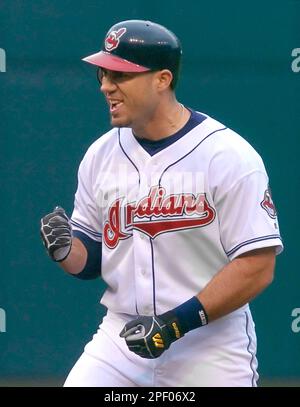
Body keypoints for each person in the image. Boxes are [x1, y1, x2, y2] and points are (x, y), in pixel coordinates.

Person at [40, 19, 283, 387]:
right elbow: (90, 259)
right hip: (120, 339)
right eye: (103, 75)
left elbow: (258, 265)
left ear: (162, 79)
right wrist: (65, 250)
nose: (106, 86)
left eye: (120, 75)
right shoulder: (100, 155)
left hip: (208, 342)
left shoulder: (227, 155)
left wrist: (176, 324)